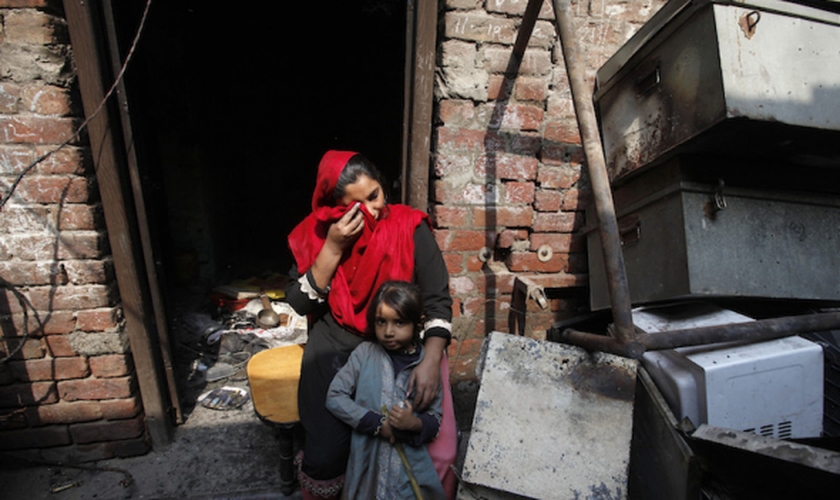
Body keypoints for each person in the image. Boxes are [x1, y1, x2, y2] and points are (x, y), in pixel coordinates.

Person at [285, 150, 457, 500]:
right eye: (358, 205)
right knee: (324, 458)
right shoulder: (318, 234)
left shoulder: (409, 226)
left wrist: (430, 361)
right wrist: (332, 249)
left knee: (433, 451)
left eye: (375, 195)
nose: (374, 209)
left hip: (403, 347)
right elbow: (300, 302)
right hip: (335, 346)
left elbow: (438, 300)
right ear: (336, 208)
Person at [326, 280, 446, 499]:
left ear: (418, 323)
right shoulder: (364, 354)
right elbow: (334, 396)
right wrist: (379, 424)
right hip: (366, 460)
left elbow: (435, 417)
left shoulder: (426, 365)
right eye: (381, 322)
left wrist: (415, 424)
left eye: (399, 323)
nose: (388, 332)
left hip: (409, 468)